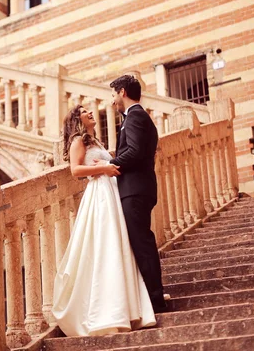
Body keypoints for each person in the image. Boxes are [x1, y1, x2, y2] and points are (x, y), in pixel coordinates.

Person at [52, 105, 156, 337]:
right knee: (104, 245)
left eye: (90, 109)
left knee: (120, 244)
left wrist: (108, 166)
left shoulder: (96, 142)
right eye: (84, 111)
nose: (90, 112)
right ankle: (107, 310)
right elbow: (75, 170)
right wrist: (104, 169)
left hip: (112, 192)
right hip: (99, 194)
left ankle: (129, 306)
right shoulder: (79, 140)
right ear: (76, 119)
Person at [107, 74, 168, 313]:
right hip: (139, 189)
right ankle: (151, 296)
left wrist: (111, 165)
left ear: (122, 91)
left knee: (142, 244)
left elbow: (133, 152)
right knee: (141, 243)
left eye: (113, 94)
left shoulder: (134, 117)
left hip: (135, 191)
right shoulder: (138, 117)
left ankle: (155, 299)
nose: (112, 99)